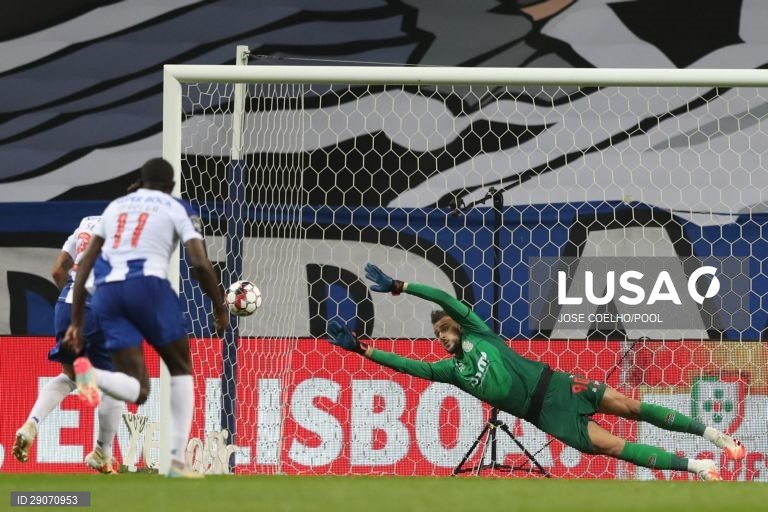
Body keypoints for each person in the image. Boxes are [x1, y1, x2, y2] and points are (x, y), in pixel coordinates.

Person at [326, 263, 747, 481]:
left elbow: (444, 298)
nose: (441, 337)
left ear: (458, 326)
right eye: (436, 335)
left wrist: (401, 287)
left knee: (631, 407)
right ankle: (698, 467)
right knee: (616, 447)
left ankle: (714, 435)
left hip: (560, 385)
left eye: (444, 329)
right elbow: (407, 366)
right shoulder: (452, 371)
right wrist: (363, 348)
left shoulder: (479, 331)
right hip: (547, 417)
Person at [63, 158, 229, 478]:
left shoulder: (115, 207)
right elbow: (199, 263)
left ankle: (92, 376)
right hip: (148, 288)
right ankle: (177, 463)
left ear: (141, 181)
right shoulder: (177, 207)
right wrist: (219, 307)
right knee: (181, 368)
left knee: (138, 390)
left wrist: (77, 322)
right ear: (171, 186)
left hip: (107, 295)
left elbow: (84, 266)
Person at [13, 216, 123, 474]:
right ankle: (102, 452)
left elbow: (58, 270)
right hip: (98, 307)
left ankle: (32, 422)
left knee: (71, 376)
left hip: (66, 305)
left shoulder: (86, 223)